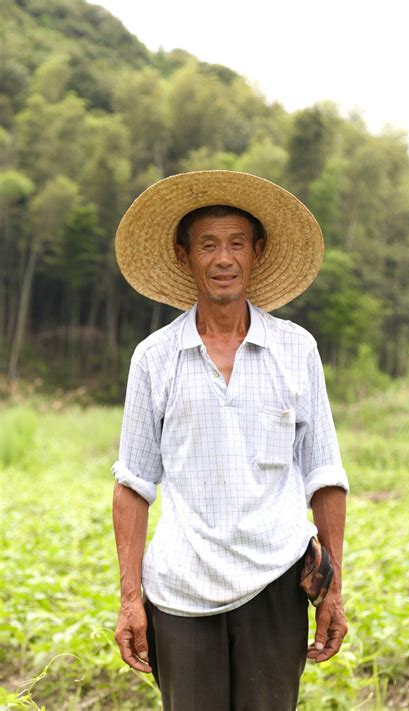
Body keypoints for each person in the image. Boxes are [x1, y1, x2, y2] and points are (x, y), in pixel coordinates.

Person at [112, 170, 349, 711]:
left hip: (276, 584)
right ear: (183, 256)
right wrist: (130, 599)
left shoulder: (296, 349)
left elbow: (325, 475)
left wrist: (332, 589)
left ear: (257, 253)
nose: (224, 259)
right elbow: (133, 484)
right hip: (180, 590)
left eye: (237, 244)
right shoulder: (154, 359)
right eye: (208, 245)